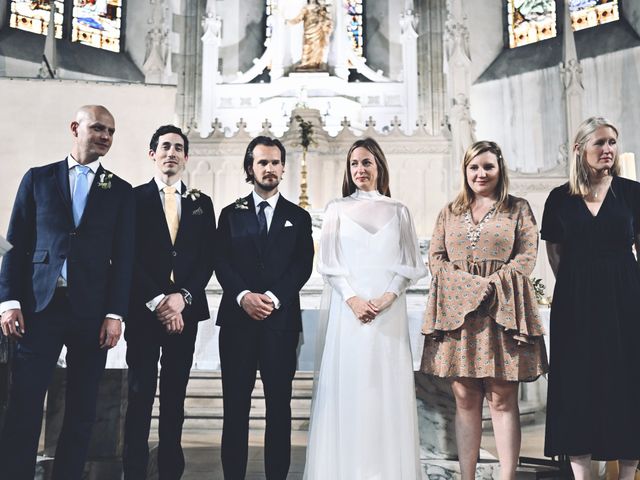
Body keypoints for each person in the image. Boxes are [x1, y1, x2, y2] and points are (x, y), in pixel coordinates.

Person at [0, 105, 135, 479]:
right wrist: (9, 301)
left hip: (90, 313)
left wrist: (115, 314)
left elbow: (124, 259)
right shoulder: (37, 179)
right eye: (97, 128)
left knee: (82, 408)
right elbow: (17, 245)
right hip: (39, 307)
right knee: (25, 402)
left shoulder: (120, 191)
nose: (105, 136)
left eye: (111, 131)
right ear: (75, 128)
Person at [421, 140, 548, 480]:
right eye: (474, 167)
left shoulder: (517, 208)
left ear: (499, 169)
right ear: (465, 171)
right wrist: (468, 288)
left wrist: (490, 286)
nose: (481, 173)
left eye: (488, 166)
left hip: (502, 310)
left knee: (503, 398)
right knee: (464, 398)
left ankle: (507, 477)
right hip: (459, 315)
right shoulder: (450, 211)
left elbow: (526, 255)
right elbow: (436, 258)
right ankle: (467, 476)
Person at [304, 137, 427, 479]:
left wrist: (389, 296)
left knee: (385, 394)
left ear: (379, 167)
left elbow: (411, 264)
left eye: (366, 162)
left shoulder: (399, 210)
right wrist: (353, 299)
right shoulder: (336, 209)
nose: (360, 169)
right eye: (354, 163)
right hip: (350, 315)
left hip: (388, 316)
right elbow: (329, 264)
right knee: (352, 391)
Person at [542, 117, 640, 480]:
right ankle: (583, 476)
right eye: (599, 143)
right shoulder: (559, 198)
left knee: (627, 380)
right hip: (575, 302)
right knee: (576, 383)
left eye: (612, 142)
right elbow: (555, 253)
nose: (608, 149)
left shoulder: (633, 193)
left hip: (626, 297)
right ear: (580, 149)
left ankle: (627, 475)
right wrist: (576, 285)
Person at [215, 136, 314, 480]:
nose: (269, 168)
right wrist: (243, 296)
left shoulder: (298, 217)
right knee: (236, 409)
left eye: (275, 162)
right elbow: (221, 261)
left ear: (283, 167)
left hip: (280, 324)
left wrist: (271, 298)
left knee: (279, 409)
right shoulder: (230, 214)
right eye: (262, 162)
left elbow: (303, 266)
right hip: (237, 324)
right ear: (250, 168)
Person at [122, 125, 216, 479]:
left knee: (175, 397)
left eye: (178, 147)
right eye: (165, 146)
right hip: (145, 313)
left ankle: (170, 470)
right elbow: (127, 256)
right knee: (140, 394)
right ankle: (133, 468)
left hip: (185, 314)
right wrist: (160, 300)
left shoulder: (201, 203)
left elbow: (207, 257)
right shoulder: (132, 199)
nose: (171, 152)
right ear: (152, 154)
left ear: (186, 157)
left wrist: (183, 299)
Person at [287, 0, 334, 70]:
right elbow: (299, 18)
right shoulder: (306, 8)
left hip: (318, 29)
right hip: (308, 30)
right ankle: (306, 63)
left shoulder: (320, 8)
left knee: (317, 47)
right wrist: (290, 22)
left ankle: (315, 63)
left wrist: (325, 21)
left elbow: (325, 18)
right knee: (307, 46)